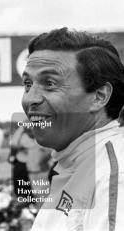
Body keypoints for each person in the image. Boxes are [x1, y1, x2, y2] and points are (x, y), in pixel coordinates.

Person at [21, 27, 124, 230]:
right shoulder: (74, 160)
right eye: (27, 84)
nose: (30, 98)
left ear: (99, 96)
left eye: (49, 83)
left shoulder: (114, 178)